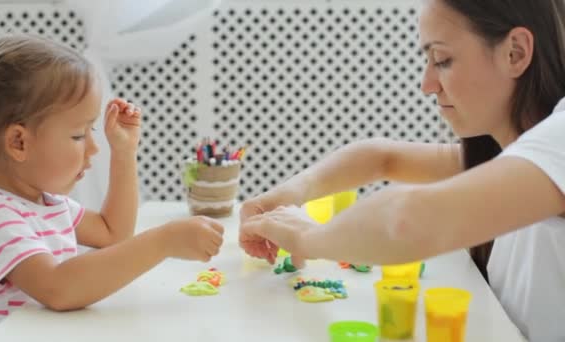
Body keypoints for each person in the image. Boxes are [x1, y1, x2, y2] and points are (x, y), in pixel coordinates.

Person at [239, 1, 565, 341]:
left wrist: (308, 237)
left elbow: (405, 220)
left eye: (442, 60)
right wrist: (289, 194)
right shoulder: (514, 155)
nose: (427, 84)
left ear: (515, 53)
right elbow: (381, 157)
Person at [0, 34, 224, 341]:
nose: (94, 148)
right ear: (19, 142)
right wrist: (164, 241)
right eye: (78, 136)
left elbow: (114, 234)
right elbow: (58, 288)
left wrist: (123, 154)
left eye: (91, 130)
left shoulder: (44, 203)